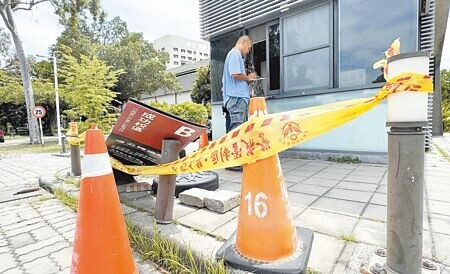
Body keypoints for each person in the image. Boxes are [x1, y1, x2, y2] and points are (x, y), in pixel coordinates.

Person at [222, 35, 257, 171]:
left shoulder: (233, 55)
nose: (248, 51)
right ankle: (233, 161)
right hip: (236, 98)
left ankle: (231, 160)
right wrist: (248, 77)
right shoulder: (235, 53)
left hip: (233, 98)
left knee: (234, 129)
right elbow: (235, 74)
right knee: (237, 130)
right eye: (248, 47)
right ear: (243, 43)